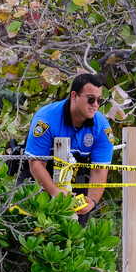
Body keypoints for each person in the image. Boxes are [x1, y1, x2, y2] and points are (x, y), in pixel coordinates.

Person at [23, 73, 115, 224]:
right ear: (74, 96)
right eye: (91, 99)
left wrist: (92, 202)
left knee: (75, 232)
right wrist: (56, 192)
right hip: (39, 173)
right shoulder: (46, 119)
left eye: (99, 100)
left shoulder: (102, 127)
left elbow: (99, 170)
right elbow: (36, 165)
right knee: (32, 226)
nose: (95, 105)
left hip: (75, 177)